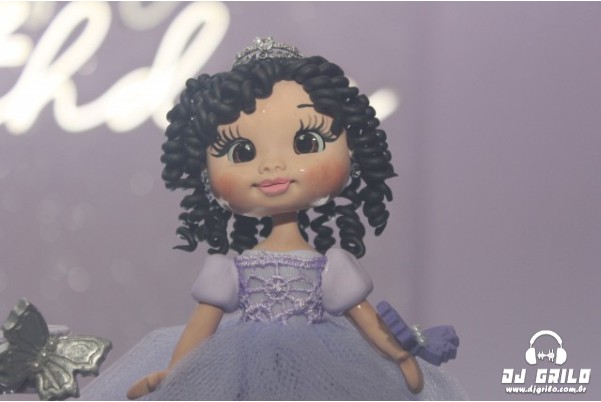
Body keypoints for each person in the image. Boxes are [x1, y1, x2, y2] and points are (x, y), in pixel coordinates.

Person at [80, 37, 465, 400]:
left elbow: (364, 318)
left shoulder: (333, 266)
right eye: (242, 151)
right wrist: (176, 372)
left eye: (306, 142)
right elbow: (201, 327)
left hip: (321, 367)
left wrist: (398, 354)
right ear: (205, 171)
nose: (273, 166)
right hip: (240, 368)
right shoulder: (228, 270)